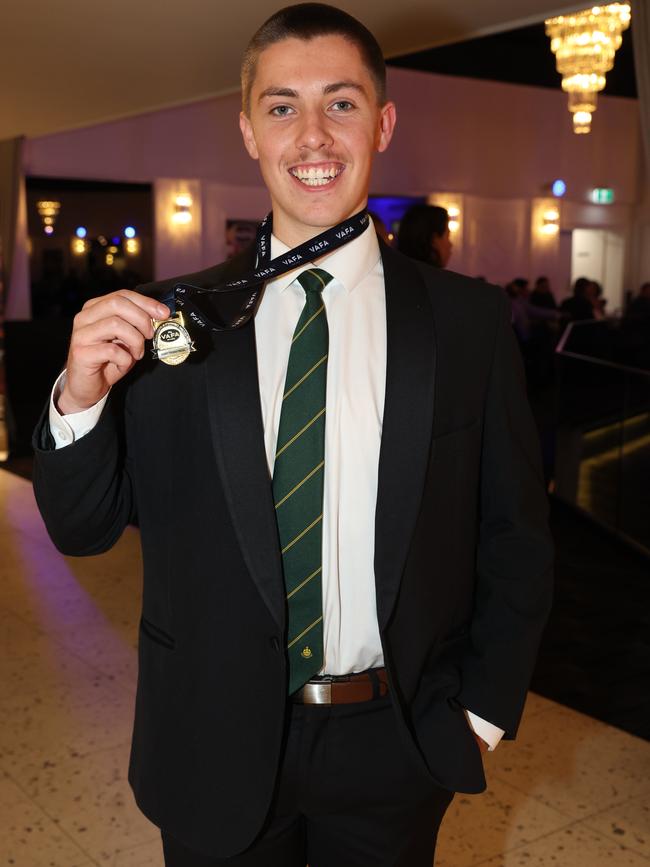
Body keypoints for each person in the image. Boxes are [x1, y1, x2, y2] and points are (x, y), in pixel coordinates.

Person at [32, 4, 554, 865]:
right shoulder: (173, 320)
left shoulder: (466, 322)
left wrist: (483, 710)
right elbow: (83, 529)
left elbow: (515, 536)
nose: (312, 134)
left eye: (340, 103)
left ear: (382, 121)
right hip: (207, 731)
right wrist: (79, 394)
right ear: (247, 129)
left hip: (396, 741)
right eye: (281, 107)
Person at [396, 203, 452, 268]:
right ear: (434, 240)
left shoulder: (397, 270)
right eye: (447, 236)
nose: (450, 245)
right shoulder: (433, 277)